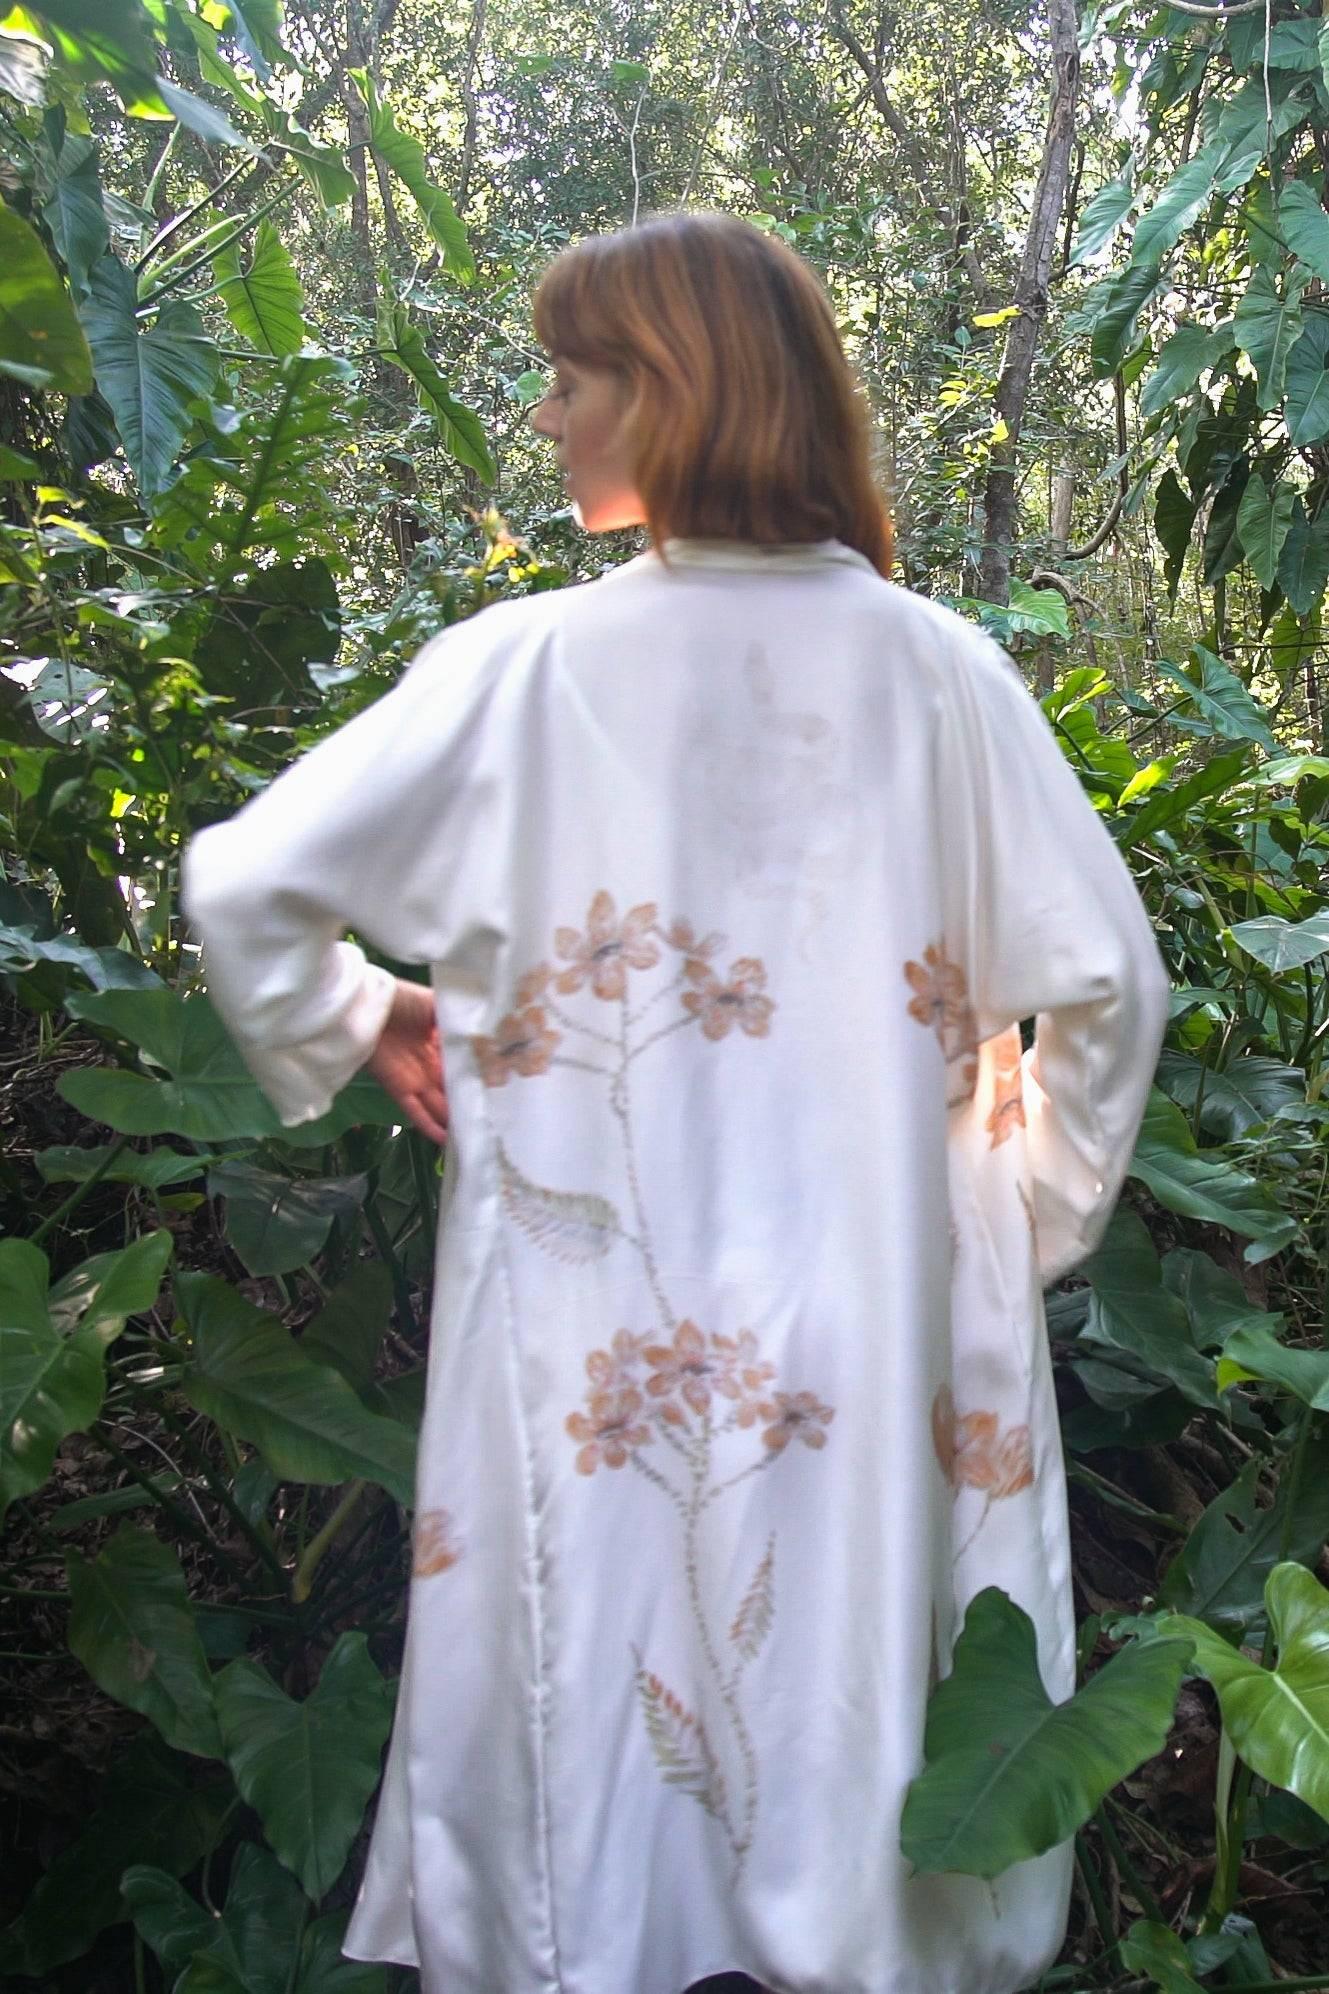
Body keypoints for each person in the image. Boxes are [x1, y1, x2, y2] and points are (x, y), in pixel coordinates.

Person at [182, 212, 1169, 1994]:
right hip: (867, 1307)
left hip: (592, 1320)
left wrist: (361, 1006)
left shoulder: (525, 675)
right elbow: (1114, 983)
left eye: (569, 379)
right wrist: (1022, 1212)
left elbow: (246, 887)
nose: (546, 417)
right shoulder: (940, 671)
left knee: (593, 1679)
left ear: (670, 389)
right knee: (845, 1685)